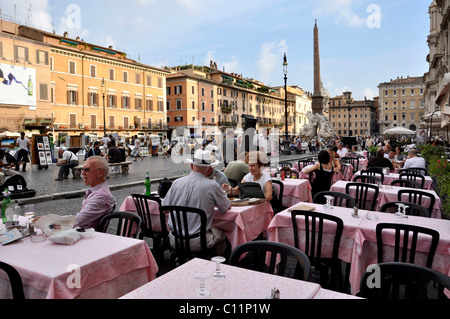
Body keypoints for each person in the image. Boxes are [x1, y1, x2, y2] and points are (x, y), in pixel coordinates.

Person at [162, 149, 231, 254]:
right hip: (198, 241)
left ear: (191, 166)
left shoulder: (176, 183)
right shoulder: (212, 186)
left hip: (174, 240)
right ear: (209, 170)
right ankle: (215, 263)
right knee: (222, 233)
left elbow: (164, 208)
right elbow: (225, 208)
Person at [34, 156, 116, 230]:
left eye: (86, 169)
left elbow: (76, 221)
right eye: (82, 169)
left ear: (100, 173)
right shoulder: (99, 192)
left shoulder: (100, 196)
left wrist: (48, 220)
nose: (82, 173)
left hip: (85, 239)